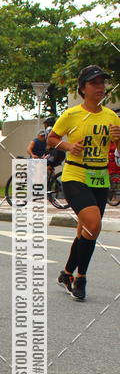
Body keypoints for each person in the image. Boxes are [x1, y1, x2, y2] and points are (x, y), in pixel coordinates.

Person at [49, 64, 120, 300]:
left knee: (87, 229)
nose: (100, 87)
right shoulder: (72, 115)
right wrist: (69, 146)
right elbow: (52, 138)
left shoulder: (111, 116)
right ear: (83, 88)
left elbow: (118, 152)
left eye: (102, 83)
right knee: (93, 223)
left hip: (100, 177)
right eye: (95, 83)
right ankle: (81, 278)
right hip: (75, 175)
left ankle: (67, 273)